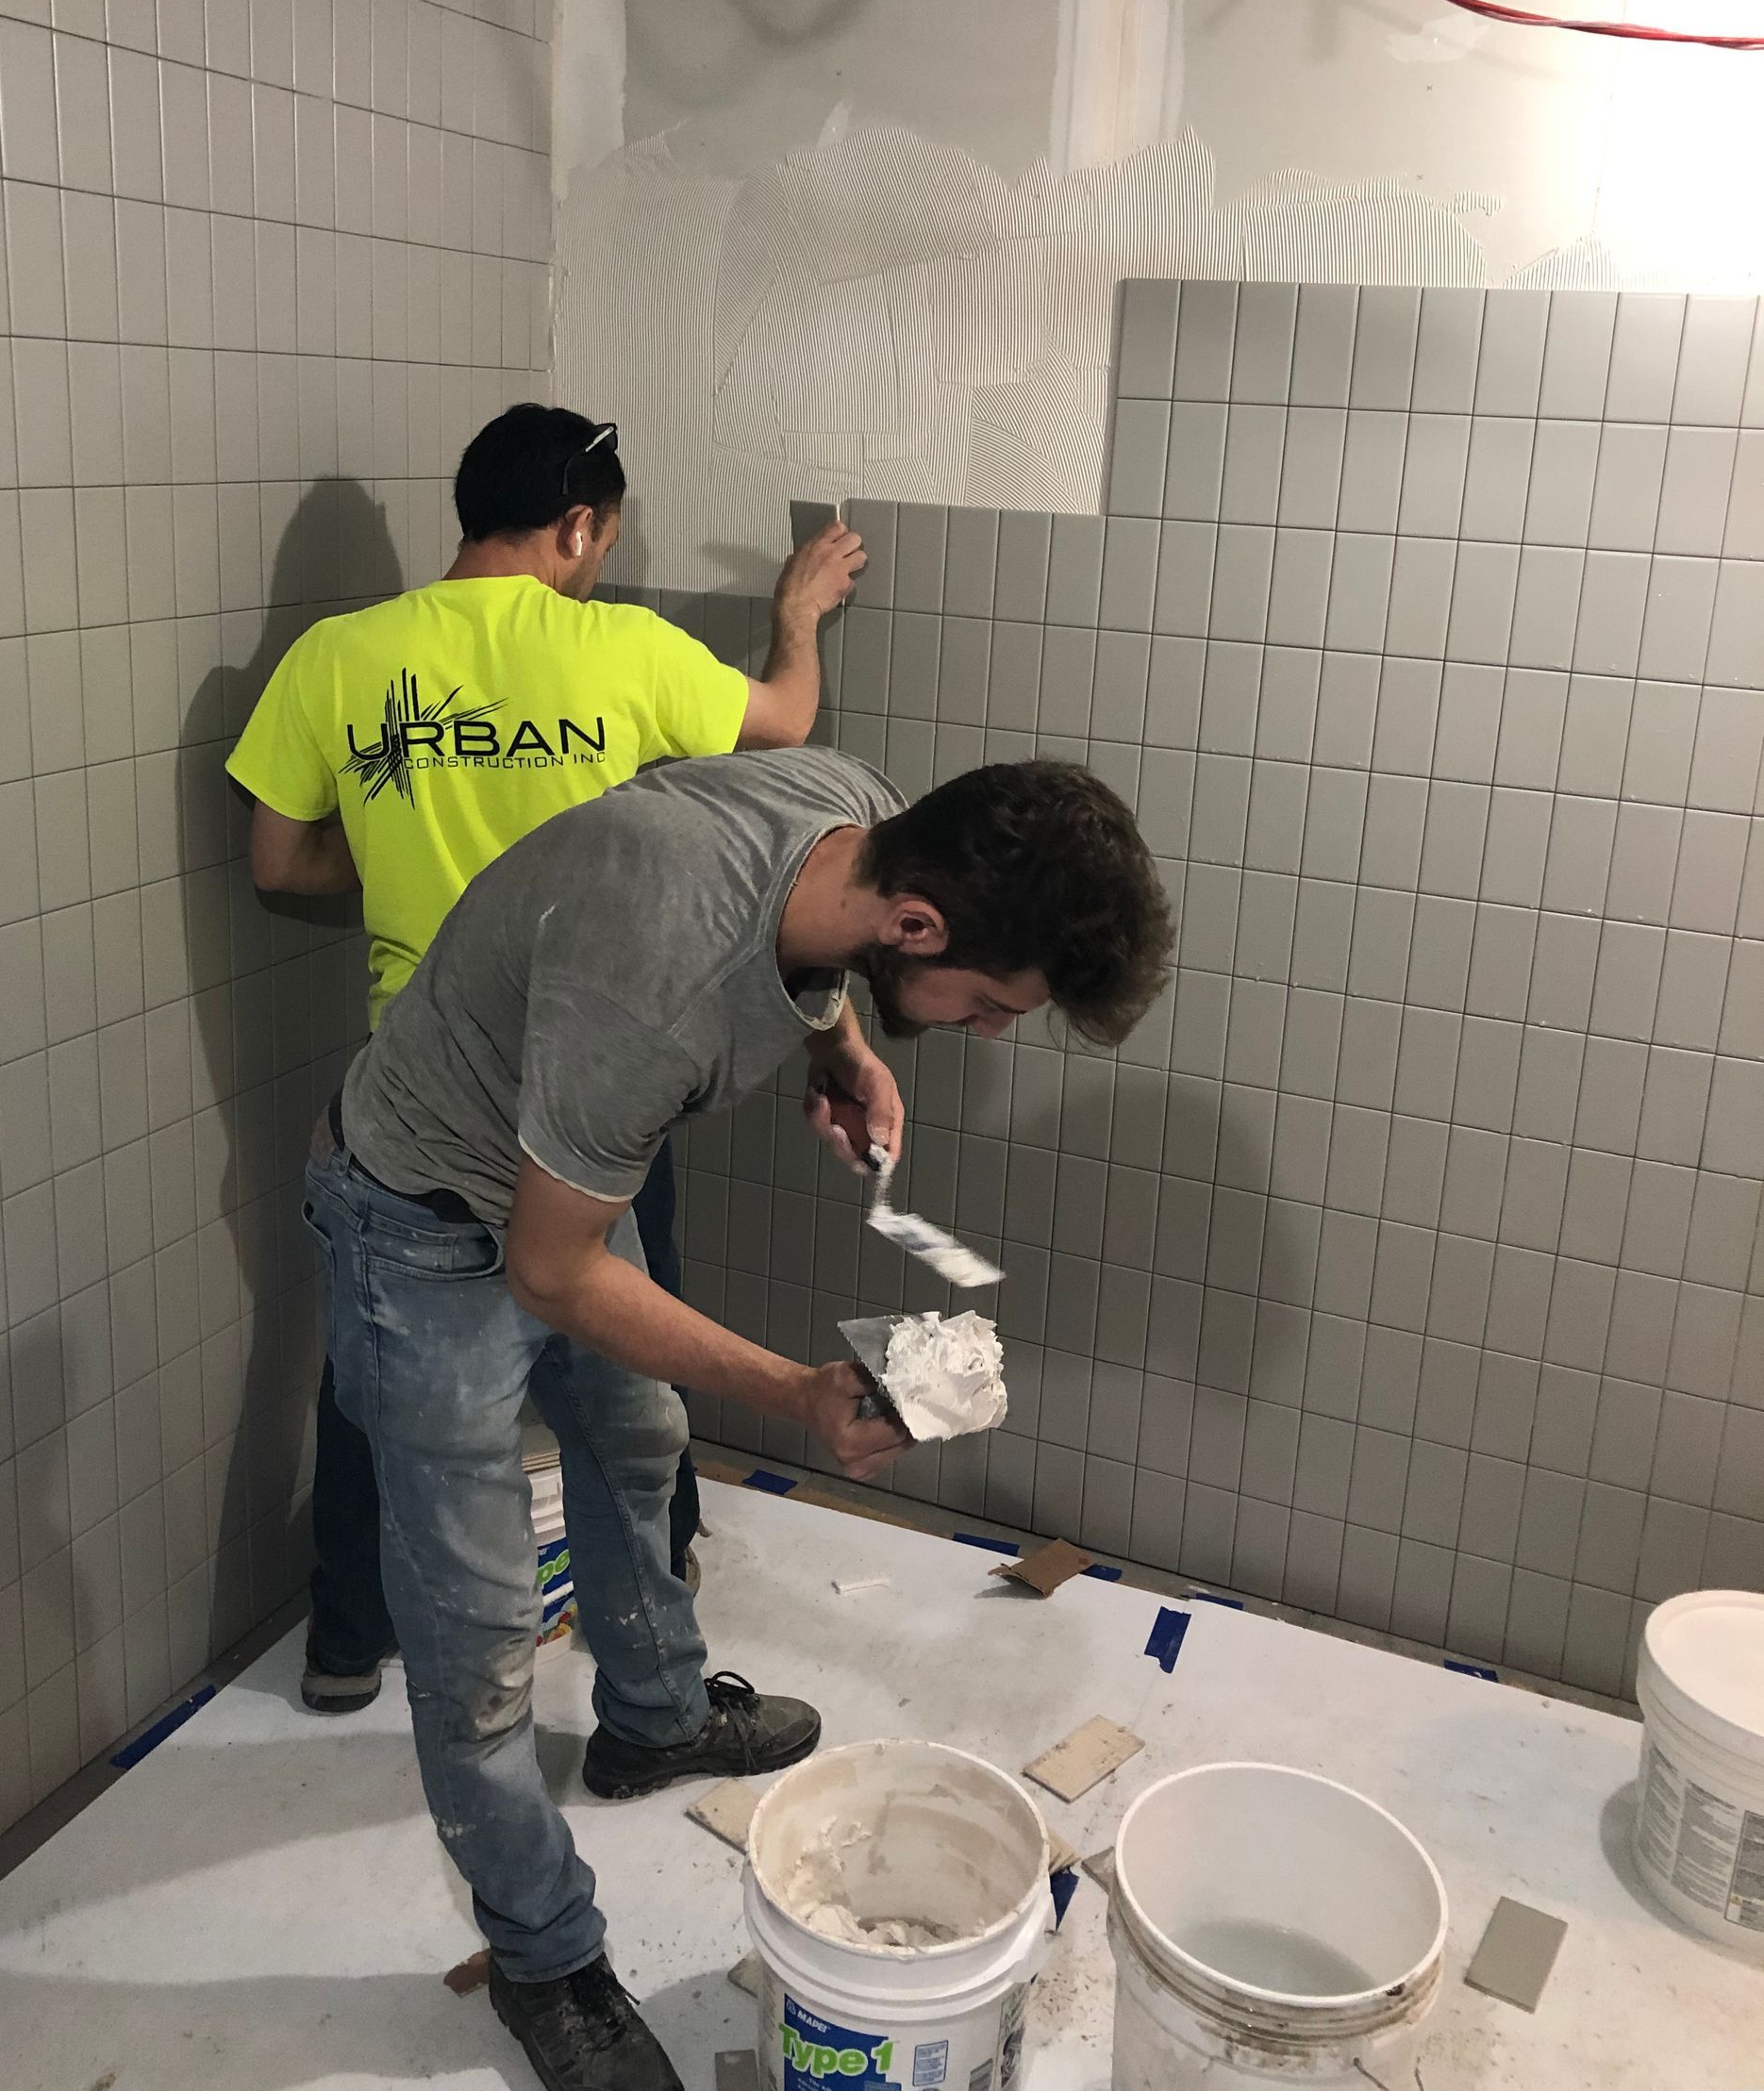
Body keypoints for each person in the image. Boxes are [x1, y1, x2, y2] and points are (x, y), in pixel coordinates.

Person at [308, 747, 1173, 2091]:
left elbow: (714, 851)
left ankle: (652, 1721)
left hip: (552, 1170)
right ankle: (544, 1960)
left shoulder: (855, 810)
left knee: (637, 1438)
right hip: (421, 1223)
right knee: (477, 1637)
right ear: (918, 925)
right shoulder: (651, 991)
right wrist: (795, 1392)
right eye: (994, 1004)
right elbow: (551, 1272)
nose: (995, 1033)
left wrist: (840, 1043)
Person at [225, 404, 864, 1713]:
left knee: (379, 1378)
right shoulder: (618, 649)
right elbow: (786, 729)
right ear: (575, 526)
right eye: (603, 540)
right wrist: (797, 613)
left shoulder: (338, 658)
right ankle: (658, 1580)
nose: (598, 563)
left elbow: (279, 862)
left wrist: (399, 850)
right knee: (630, 1349)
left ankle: (345, 1642)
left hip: (416, 1090)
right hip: (596, 1076)